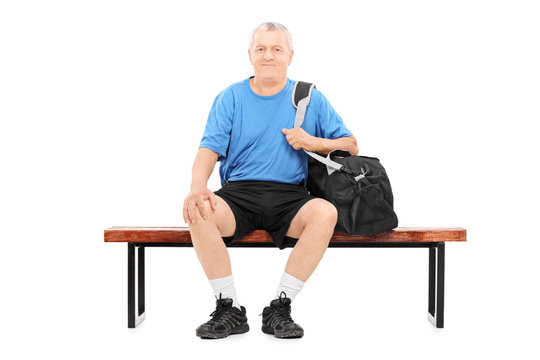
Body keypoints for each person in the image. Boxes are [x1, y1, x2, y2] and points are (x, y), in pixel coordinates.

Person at [183, 22, 358, 339]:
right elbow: (208, 149)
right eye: (261, 48)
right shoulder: (230, 98)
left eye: (276, 49)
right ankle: (229, 308)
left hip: (290, 197)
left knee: (325, 213)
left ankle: (280, 307)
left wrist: (312, 141)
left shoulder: (308, 98)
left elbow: (351, 145)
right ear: (250, 54)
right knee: (200, 208)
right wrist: (197, 187)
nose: (268, 55)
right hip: (238, 195)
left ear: (289, 55)